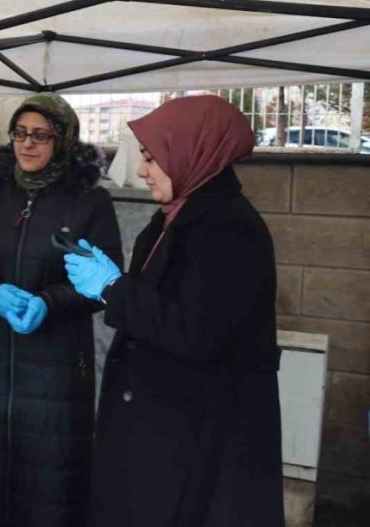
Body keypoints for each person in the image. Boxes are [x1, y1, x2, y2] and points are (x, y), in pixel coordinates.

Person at [64, 95, 284, 527]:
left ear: (191, 152)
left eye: (151, 158)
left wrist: (113, 288)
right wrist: (114, 286)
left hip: (200, 437)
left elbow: (197, 332)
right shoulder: (175, 215)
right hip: (165, 426)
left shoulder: (229, 228)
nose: (142, 171)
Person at [0, 94, 122, 527]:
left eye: (41, 135)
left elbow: (105, 282)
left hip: (56, 366)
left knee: (48, 482)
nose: (27, 144)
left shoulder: (89, 201)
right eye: (20, 133)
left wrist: (50, 303)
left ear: (63, 140)